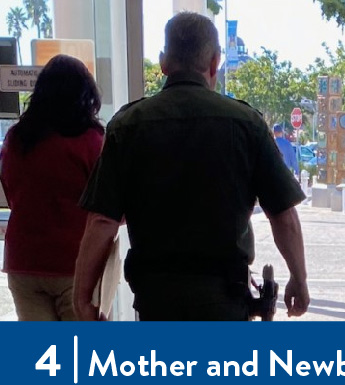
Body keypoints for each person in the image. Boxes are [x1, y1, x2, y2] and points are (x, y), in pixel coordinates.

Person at [73, 12, 310, 321]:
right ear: (214, 63)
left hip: (156, 303)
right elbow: (283, 215)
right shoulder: (246, 123)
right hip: (225, 304)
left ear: (163, 63)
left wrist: (81, 296)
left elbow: (102, 222)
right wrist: (299, 279)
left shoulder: (127, 126)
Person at [0, 55, 104, 321]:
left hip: (24, 262)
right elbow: (107, 205)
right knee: (80, 357)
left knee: (44, 356)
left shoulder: (16, 138)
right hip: (75, 264)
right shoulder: (92, 142)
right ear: (86, 94)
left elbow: (12, 193)